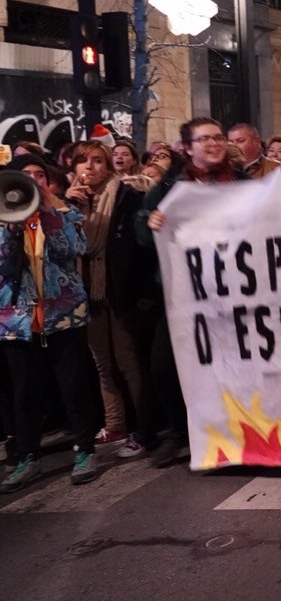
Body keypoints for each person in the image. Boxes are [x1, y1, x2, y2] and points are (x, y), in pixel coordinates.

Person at [138, 118, 249, 467]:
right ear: (187, 148)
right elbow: (143, 225)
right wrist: (149, 222)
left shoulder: (243, 182)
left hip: (235, 295)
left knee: (235, 367)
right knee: (163, 368)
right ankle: (178, 431)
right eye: (204, 139)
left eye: (218, 137)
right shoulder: (171, 184)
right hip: (182, 296)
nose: (214, 144)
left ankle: (240, 433)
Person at [0, 155, 99, 491]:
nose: (33, 180)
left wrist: (49, 214)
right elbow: (5, 269)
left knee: (73, 387)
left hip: (64, 314)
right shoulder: (3, 220)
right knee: (24, 393)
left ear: (48, 181)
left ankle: (85, 449)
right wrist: (13, 231)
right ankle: (28, 457)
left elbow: (72, 250)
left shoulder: (66, 212)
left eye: (39, 175)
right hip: (18, 320)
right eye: (25, 175)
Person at [64, 141, 150, 460]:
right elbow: (67, 247)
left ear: (109, 166)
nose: (91, 167)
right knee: (102, 363)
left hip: (118, 289)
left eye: (98, 161)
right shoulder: (66, 203)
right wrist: (68, 208)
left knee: (128, 359)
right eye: (83, 162)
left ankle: (144, 427)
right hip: (85, 291)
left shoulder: (125, 195)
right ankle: (115, 424)